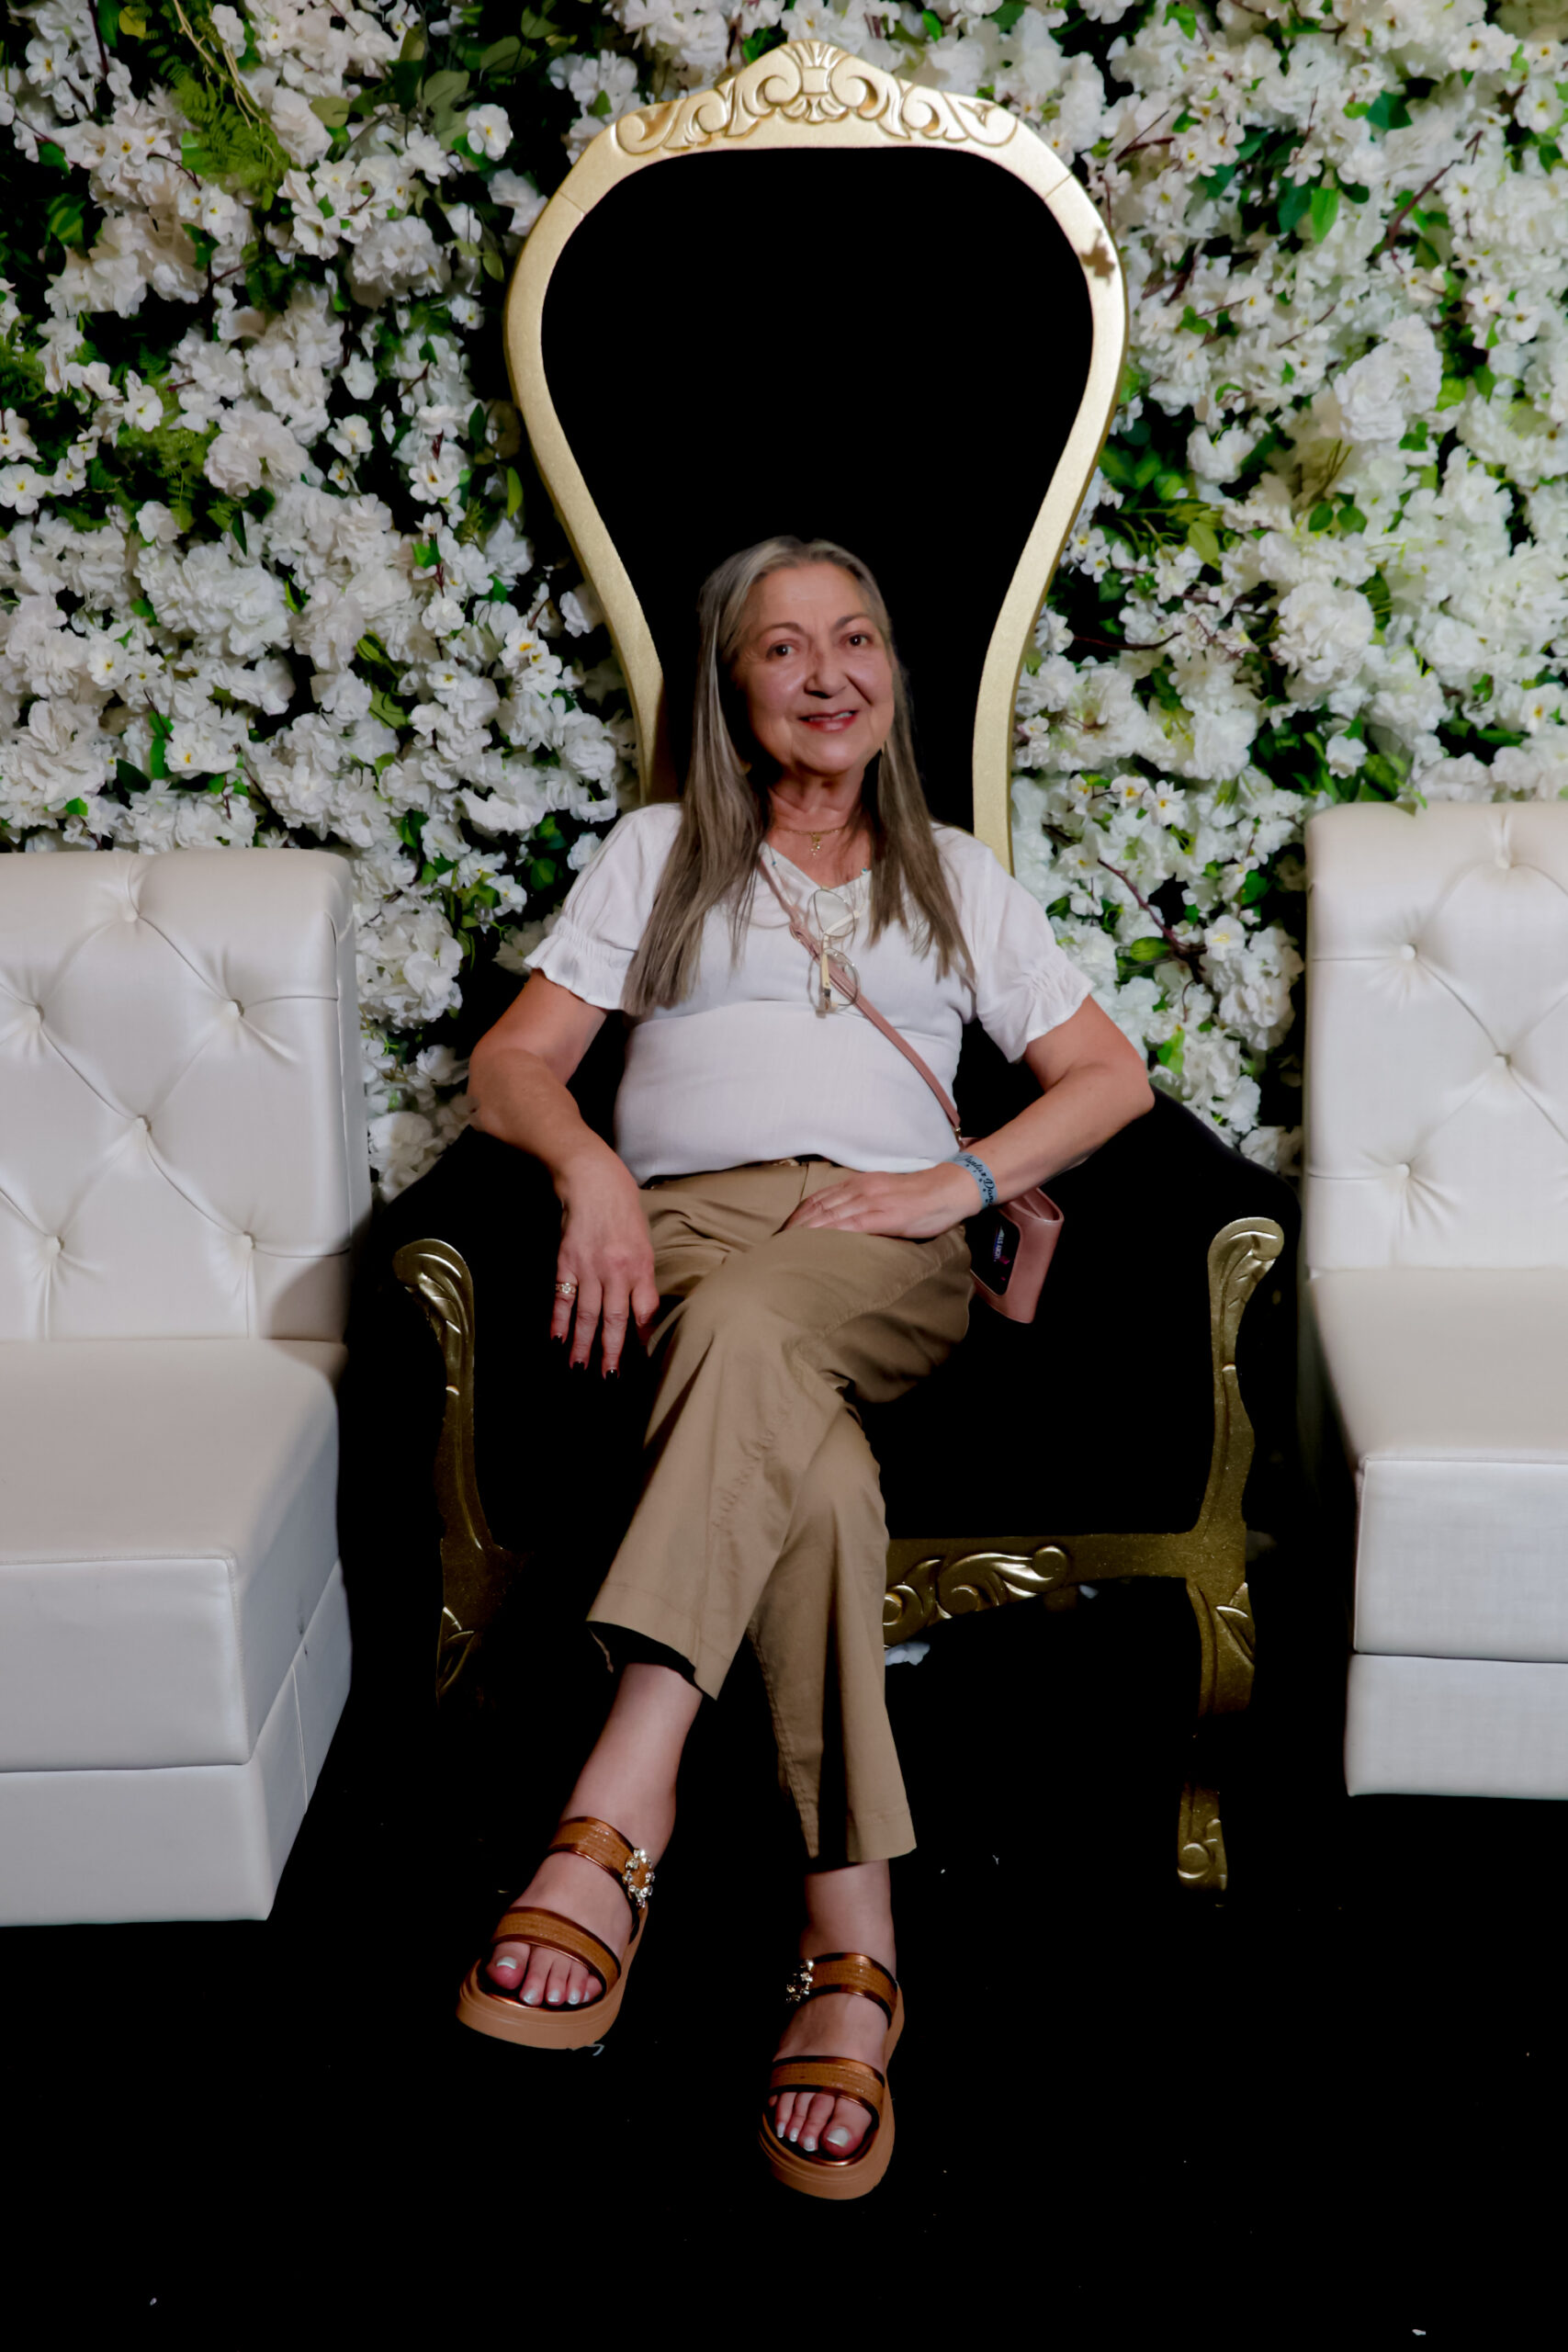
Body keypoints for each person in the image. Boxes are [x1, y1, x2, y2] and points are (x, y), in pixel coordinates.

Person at [455, 534, 1152, 2197]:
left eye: (855, 641)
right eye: (784, 648)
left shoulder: (955, 876)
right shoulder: (660, 853)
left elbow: (1109, 1078)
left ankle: (620, 1801)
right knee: (814, 1477)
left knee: (763, 1330)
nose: (827, 674)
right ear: (734, 685)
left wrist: (951, 1183)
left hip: (879, 1251)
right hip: (689, 1239)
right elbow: (513, 1064)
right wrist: (592, 1171)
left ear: (892, 674)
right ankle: (854, 1949)